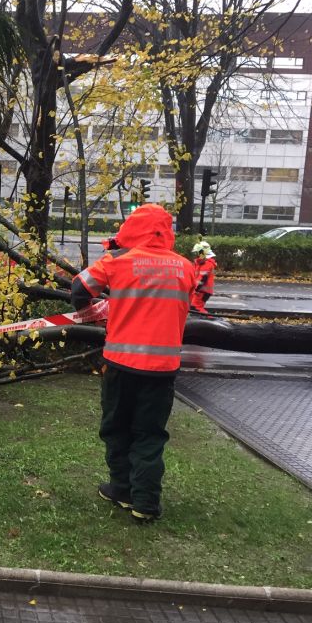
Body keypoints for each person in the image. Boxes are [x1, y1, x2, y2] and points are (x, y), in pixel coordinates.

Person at [71, 205, 197, 523]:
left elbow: (79, 288)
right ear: (166, 232)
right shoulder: (186, 268)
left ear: (132, 229)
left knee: (116, 427)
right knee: (150, 434)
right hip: (162, 370)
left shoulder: (117, 261)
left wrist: (91, 312)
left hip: (121, 364)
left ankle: (121, 489)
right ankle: (146, 503)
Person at [190, 241, 217, 314]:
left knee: (195, 307)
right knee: (193, 307)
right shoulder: (200, 263)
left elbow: (202, 278)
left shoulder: (207, 264)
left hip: (202, 291)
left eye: (198, 252)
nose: (196, 254)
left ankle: (209, 319)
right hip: (200, 290)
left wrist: (196, 290)